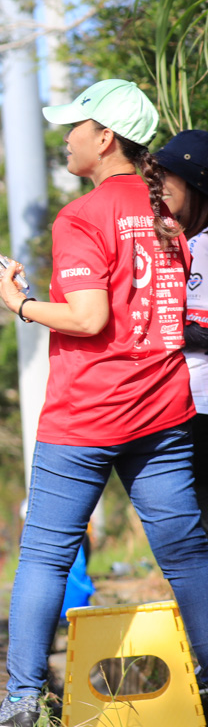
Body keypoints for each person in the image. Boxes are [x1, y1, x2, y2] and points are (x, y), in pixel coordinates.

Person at [0, 80, 208, 727]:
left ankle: (26, 696)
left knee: (46, 554)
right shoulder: (170, 210)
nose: (65, 136)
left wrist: (18, 302)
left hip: (86, 414)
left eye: (74, 126)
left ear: (105, 138)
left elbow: (87, 317)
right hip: (163, 409)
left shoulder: (81, 216)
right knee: (187, 550)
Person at [157, 131, 208, 536]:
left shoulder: (205, 245)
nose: (157, 185)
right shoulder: (187, 242)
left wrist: (153, 326)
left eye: (167, 175)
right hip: (186, 404)